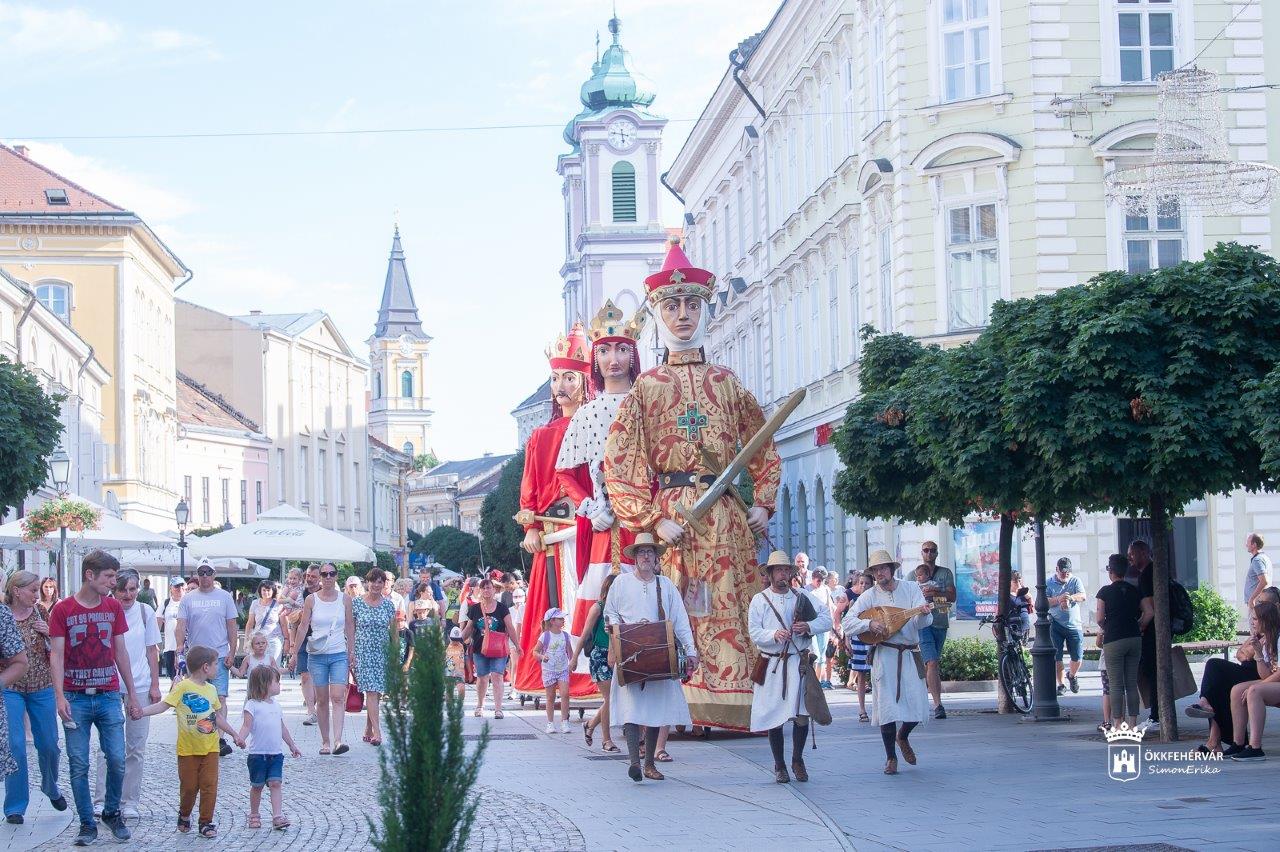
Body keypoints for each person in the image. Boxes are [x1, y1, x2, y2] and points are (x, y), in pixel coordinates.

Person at [604, 239, 781, 732]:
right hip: (675, 521)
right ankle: (675, 713)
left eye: (691, 305)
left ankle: (730, 706)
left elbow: (762, 443)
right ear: (659, 313)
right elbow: (621, 460)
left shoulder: (727, 382)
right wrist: (651, 518)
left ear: (703, 309)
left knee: (726, 604)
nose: (682, 315)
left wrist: (763, 504)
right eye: (672, 306)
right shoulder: (647, 387)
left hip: (722, 513)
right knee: (678, 608)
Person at [514, 322, 594, 700]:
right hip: (552, 532)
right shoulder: (541, 436)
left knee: (589, 598)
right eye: (555, 377)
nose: (561, 386)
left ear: (583, 380)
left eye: (569, 377)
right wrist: (530, 525)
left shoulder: (598, 427)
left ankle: (589, 670)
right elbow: (529, 485)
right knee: (556, 604)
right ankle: (555, 674)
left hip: (591, 527)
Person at [555, 300, 643, 640]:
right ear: (596, 359)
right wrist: (590, 508)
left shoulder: (646, 405)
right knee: (600, 594)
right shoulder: (586, 414)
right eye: (605, 351)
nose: (614, 359)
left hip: (644, 520)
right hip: (605, 522)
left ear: (633, 356)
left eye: (622, 349)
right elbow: (564, 472)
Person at [49, 550, 139, 845]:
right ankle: (87, 823)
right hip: (75, 697)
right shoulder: (62, 610)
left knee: (116, 758)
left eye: (114, 576)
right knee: (79, 763)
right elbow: (57, 655)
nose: (113, 583)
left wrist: (132, 694)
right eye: (109, 577)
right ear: (90, 575)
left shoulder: (113, 608)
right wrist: (59, 696)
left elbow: (120, 652)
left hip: (108, 694)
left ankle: (112, 812)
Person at [603, 533, 697, 782]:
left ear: (656, 558)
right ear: (634, 557)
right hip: (630, 653)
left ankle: (650, 764)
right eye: (641, 552)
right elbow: (610, 612)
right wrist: (622, 630)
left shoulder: (665, 586)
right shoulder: (620, 583)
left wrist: (691, 651)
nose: (646, 556)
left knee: (655, 710)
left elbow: (680, 621)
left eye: (650, 552)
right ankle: (635, 762)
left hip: (659, 653)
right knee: (631, 710)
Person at [134, 645, 244, 838]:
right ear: (205, 667)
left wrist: (234, 734)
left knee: (210, 786)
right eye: (215, 664)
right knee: (189, 787)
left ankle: (206, 822)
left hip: (210, 749)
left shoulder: (211, 689)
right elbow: (163, 705)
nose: (217, 668)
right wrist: (142, 712)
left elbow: (217, 717)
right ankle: (184, 814)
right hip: (188, 750)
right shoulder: (183, 687)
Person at [841, 549, 932, 776]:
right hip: (885, 655)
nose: (880, 573)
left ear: (892, 569)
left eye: (883, 568)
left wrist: (923, 614)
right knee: (887, 708)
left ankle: (903, 736)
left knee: (917, 706)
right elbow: (848, 623)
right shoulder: (870, 596)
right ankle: (891, 757)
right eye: (876, 570)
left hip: (909, 654)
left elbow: (924, 622)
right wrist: (869, 625)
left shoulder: (911, 589)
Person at [748, 551, 831, 783]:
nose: (783, 574)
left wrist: (808, 626)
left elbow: (826, 619)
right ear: (771, 574)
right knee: (774, 717)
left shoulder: (802, 596)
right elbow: (754, 632)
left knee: (802, 715)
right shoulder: (760, 600)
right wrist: (773, 634)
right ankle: (780, 765)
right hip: (772, 665)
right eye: (779, 570)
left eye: (786, 570)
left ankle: (797, 759)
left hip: (798, 663)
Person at [93, 568, 161, 820]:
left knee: (136, 747)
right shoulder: (105, 610)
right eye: (123, 589)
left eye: (133, 589)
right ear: (114, 589)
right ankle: (101, 799)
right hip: (109, 685)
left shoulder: (145, 612)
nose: (128, 594)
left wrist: (155, 685)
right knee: (107, 747)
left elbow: (152, 650)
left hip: (141, 685)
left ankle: (129, 800)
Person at [1186, 598, 1278, 752]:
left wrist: (1255, 653)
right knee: (1217, 680)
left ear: (1266, 619)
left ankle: (1216, 739)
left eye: (1255, 619)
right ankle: (1226, 740)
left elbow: (1264, 674)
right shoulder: (1257, 635)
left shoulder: (1273, 639)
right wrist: (1252, 652)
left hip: (1254, 674)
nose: (1252, 622)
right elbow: (1240, 654)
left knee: (1216, 670)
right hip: (1247, 670)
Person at [3, 572, 58, 824]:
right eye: (32, 590)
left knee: (49, 744)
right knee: (15, 745)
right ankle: (15, 806)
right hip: (10, 687)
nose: (37, 595)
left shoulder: (41, 614)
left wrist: (49, 633)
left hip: (41, 685)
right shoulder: (3, 616)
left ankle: (50, 786)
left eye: (38, 590)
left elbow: (58, 648)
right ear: (16, 590)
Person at [174, 558, 239, 758]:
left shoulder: (224, 597)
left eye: (208, 572)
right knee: (198, 698)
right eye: (201, 573)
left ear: (214, 574)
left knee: (219, 697)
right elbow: (181, 625)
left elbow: (231, 626)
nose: (204, 576)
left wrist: (232, 652)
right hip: (196, 655)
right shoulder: (188, 598)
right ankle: (203, 733)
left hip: (218, 654)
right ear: (197, 575)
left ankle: (219, 737)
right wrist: (179, 649)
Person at [292, 563, 356, 755]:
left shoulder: (345, 599)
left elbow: (350, 626)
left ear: (337, 576)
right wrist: (295, 652)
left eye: (332, 574)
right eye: (324, 574)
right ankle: (325, 741)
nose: (328, 577)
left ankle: (338, 741)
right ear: (320, 577)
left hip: (338, 653)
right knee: (321, 700)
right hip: (317, 655)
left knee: (337, 697)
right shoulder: (311, 600)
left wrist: (351, 651)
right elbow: (303, 626)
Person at [237, 666, 301, 830]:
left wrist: (292, 745)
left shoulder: (276, 705)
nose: (279, 684)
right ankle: (254, 814)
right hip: (257, 755)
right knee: (257, 786)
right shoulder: (252, 705)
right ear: (265, 684)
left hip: (276, 754)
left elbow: (282, 727)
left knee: (275, 783)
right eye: (276, 681)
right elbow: (246, 726)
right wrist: (240, 738)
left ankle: (277, 816)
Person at [1095, 553, 1153, 729]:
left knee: (1115, 684)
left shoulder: (1104, 592)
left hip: (1114, 639)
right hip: (1134, 638)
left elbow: (1099, 618)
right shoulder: (1135, 589)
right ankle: (1133, 722)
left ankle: (1119, 723)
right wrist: (1138, 625)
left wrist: (1108, 626)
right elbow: (1149, 612)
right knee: (1131, 683)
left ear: (1110, 571)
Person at [572, 573, 620, 754]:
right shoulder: (598, 608)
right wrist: (574, 658)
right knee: (610, 698)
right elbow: (585, 634)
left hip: (618, 655)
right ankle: (606, 740)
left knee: (614, 698)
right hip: (600, 655)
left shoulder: (623, 608)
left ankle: (590, 724)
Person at [461, 578, 521, 719]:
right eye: (484, 588)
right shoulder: (475, 609)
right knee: (482, 678)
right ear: (480, 591)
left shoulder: (502, 608)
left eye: (489, 588)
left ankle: (498, 709)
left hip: (498, 648)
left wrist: (517, 645)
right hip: (479, 648)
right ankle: (480, 705)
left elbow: (510, 627)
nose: (486, 591)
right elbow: (469, 627)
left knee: (497, 676)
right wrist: (458, 641)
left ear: (494, 590)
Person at [353, 568, 399, 746]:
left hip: (381, 651)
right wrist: (351, 653)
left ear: (384, 584)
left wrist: (395, 653)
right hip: (363, 651)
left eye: (380, 582)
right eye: (373, 581)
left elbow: (394, 632)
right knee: (371, 691)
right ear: (367, 583)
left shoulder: (388, 604)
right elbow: (351, 628)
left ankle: (368, 728)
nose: (376, 585)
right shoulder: (357, 603)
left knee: (376, 692)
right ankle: (377, 733)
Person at [1127, 539, 1161, 728]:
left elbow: (1150, 610)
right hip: (1157, 629)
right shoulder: (1153, 570)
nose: (1129, 558)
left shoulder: (1146, 575)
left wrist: (1139, 627)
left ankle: (1156, 715)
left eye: (1132, 553)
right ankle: (1158, 713)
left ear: (1142, 553)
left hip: (1153, 632)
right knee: (1154, 670)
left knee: (1153, 671)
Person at [1047, 557, 1087, 696]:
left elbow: (1083, 596)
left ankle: (1072, 675)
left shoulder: (1075, 580)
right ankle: (1061, 684)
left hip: (1074, 625)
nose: (1065, 575)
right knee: (1056, 657)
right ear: (1056, 569)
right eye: (1062, 572)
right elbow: (1044, 602)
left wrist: (1071, 598)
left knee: (1077, 657)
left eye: (1067, 572)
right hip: (1056, 624)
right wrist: (1058, 599)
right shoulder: (1049, 583)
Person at [288, 564, 322, 725]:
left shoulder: (325, 594)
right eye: (308, 575)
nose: (310, 579)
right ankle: (311, 711)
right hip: (303, 638)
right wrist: (292, 643)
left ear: (320, 578)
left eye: (313, 576)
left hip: (321, 640)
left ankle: (314, 702)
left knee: (318, 676)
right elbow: (291, 619)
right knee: (305, 674)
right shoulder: (300, 593)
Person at [534, 607, 573, 734]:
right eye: (560, 618)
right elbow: (535, 652)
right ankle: (550, 723)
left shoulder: (565, 636)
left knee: (565, 694)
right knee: (550, 697)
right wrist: (541, 657)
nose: (563, 620)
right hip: (549, 670)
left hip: (562, 669)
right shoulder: (545, 636)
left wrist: (572, 662)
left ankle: (564, 721)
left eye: (563, 618)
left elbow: (569, 651)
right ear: (552, 621)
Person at [844, 573, 873, 722]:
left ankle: (880, 706)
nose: (863, 586)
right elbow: (847, 623)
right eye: (861, 583)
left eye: (866, 583)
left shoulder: (875, 602)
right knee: (861, 675)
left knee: (876, 674)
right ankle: (862, 709)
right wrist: (847, 641)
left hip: (873, 640)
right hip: (858, 640)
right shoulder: (853, 602)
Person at [245, 581, 286, 665]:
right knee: (257, 667)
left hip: (274, 639)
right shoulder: (255, 603)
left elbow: (284, 624)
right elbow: (250, 623)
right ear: (260, 591)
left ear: (273, 591)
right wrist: (247, 639)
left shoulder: (278, 604)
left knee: (273, 667)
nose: (266, 592)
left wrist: (287, 641)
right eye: (264, 590)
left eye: (268, 590)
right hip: (258, 640)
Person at [158, 579, 185, 683]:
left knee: (185, 678)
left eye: (181, 586)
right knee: (174, 679)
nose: (179, 589)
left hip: (185, 648)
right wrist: (155, 643)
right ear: (171, 588)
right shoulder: (165, 603)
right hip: (170, 647)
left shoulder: (187, 602)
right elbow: (158, 621)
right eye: (176, 586)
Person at [1245, 533, 1272, 610]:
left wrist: (1252, 599)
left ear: (1254, 545)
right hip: (1261, 603)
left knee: (1255, 622)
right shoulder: (1264, 558)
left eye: (1248, 542)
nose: (1246, 545)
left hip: (1257, 604)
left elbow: (1264, 581)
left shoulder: (1258, 560)